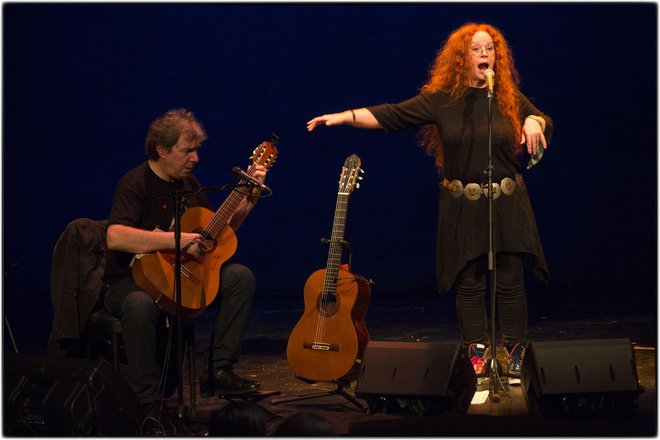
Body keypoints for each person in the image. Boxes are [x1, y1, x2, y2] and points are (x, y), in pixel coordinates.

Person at [307, 23, 551, 383]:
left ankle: (515, 355)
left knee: (510, 280)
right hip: (462, 205)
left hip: (507, 202)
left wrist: (533, 121)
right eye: (476, 50)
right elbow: (391, 114)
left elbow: (543, 118)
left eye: (490, 49)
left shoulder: (506, 96)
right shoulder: (442, 100)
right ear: (461, 58)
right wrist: (343, 117)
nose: (485, 55)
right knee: (468, 281)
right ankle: (477, 357)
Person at [103, 108, 267, 411]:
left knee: (239, 277)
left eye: (197, 150)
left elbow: (215, 232)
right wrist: (175, 241)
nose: (195, 158)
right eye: (187, 151)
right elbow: (115, 236)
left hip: (179, 277)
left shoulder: (189, 185)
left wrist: (250, 197)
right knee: (139, 303)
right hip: (130, 280)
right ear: (162, 150)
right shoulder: (135, 182)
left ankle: (218, 370)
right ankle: (147, 402)